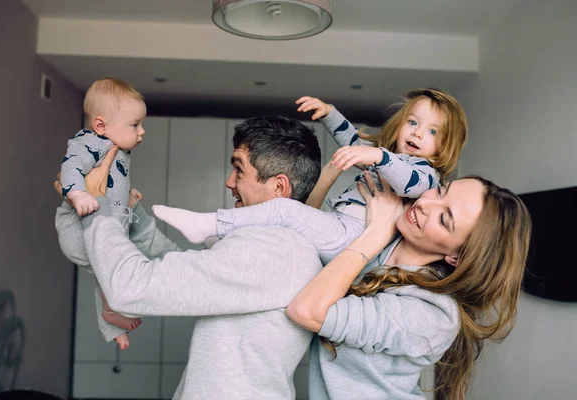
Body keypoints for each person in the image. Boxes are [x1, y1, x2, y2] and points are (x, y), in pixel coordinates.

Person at [56, 116, 324, 400]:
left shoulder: (272, 251)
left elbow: (130, 288)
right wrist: (135, 217)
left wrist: (98, 206)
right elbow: (185, 271)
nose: (229, 181)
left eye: (239, 170)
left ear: (279, 187)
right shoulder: (278, 247)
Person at [285, 170, 531, 399]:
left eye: (444, 219)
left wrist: (377, 232)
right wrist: (330, 171)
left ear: (456, 257)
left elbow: (306, 311)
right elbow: (304, 242)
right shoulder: (384, 241)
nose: (424, 204)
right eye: (440, 190)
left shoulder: (432, 315)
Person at [151, 89, 468, 265]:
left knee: (286, 212)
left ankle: (207, 226)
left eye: (431, 131)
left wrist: (378, 156)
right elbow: (353, 143)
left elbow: (404, 178)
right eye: (412, 122)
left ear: (445, 145)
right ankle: (221, 240)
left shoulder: (426, 176)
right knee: (284, 229)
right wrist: (330, 114)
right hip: (341, 227)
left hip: (353, 236)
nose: (417, 133)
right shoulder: (382, 158)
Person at [55, 77, 146, 349]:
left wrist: (126, 198)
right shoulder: (88, 142)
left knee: (109, 271)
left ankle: (111, 323)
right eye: (135, 125)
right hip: (78, 227)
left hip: (103, 224)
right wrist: (78, 193)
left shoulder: (113, 146)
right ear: (100, 125)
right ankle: (112, 311)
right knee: (113, 271)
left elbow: (110, 181)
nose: (142, 132)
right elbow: (71, 167)